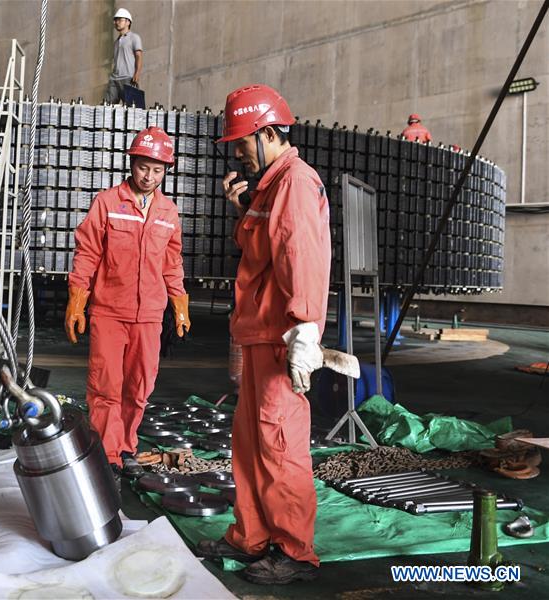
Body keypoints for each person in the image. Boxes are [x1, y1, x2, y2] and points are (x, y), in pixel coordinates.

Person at [195, 84, 330, 584]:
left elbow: (303, 258)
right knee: (250, 444)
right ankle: (251, 536)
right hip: (258, 335)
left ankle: (294, 552)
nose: (237, 153)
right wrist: (242, 210)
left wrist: (305, 330)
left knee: (279, 444)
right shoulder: (269, 188)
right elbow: (262, 254)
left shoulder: (295, 182)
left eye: (242, 142)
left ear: (269, 133)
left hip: (281, 338)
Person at [66, 126, 190, 482]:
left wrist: (179, 304)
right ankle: (107, 454)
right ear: (131, 163)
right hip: (108, 311)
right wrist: (77, 301)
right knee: (106, 385)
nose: (149, 177)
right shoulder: (107, 203)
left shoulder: (168, 211)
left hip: (149, 315)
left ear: (166, 170)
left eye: (157, 170)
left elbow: (172, 261)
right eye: (143, 168)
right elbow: (87, 253)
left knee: (139, 386)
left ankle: (126, 447)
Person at [103, 8, 143, 105]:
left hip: (128, 79)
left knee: (132, 109)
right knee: (107, 107)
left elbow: (139, 56)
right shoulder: (116, 42)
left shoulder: (134, 37)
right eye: (115, 20)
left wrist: (137, 73)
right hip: (114, 79)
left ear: (128, 22)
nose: (116, 22)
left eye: (120, 20)